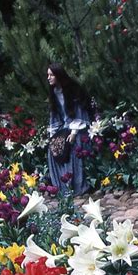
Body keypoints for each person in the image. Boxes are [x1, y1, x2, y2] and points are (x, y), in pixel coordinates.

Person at [47, 63, 92, 197]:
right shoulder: (54, 92)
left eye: (51, 75)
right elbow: (55, 116)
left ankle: (77, 184)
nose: (48, 78)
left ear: (58, 75)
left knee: (74, 144)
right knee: (54, 147)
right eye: (48, 75)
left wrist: (73, 132)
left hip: (78, 126)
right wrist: (53, 135)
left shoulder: (72, 90)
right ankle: (62, 187)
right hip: (64, 126)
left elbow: (80, 112)